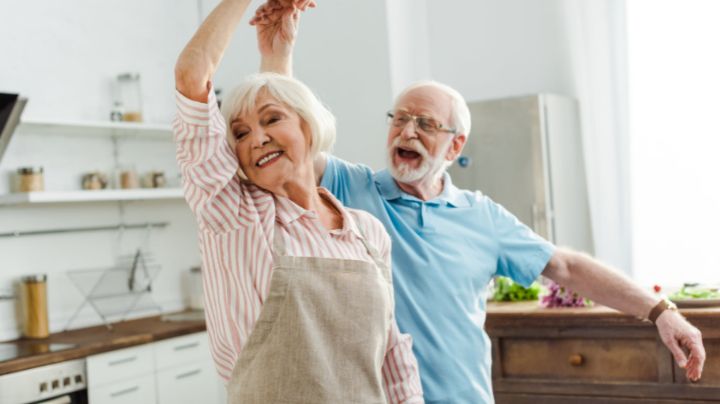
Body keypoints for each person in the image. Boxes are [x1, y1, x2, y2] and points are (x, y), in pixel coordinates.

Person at [251, 2, 707, 403]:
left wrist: (661, 311)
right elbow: (290, 152)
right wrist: (277, 54)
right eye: (400, 119)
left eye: (425, 123)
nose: (407, 132)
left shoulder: (481, 215)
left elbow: (564, 267)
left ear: (454, 146)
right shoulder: (351, 189)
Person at [173, 0, 424, 402]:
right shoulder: (238, 216)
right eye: (239, 134)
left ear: (310, 127)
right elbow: (191, 75)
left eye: (271, 120)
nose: (255, 138)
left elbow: (392, 355)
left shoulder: (367, 232)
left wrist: (276, 55)